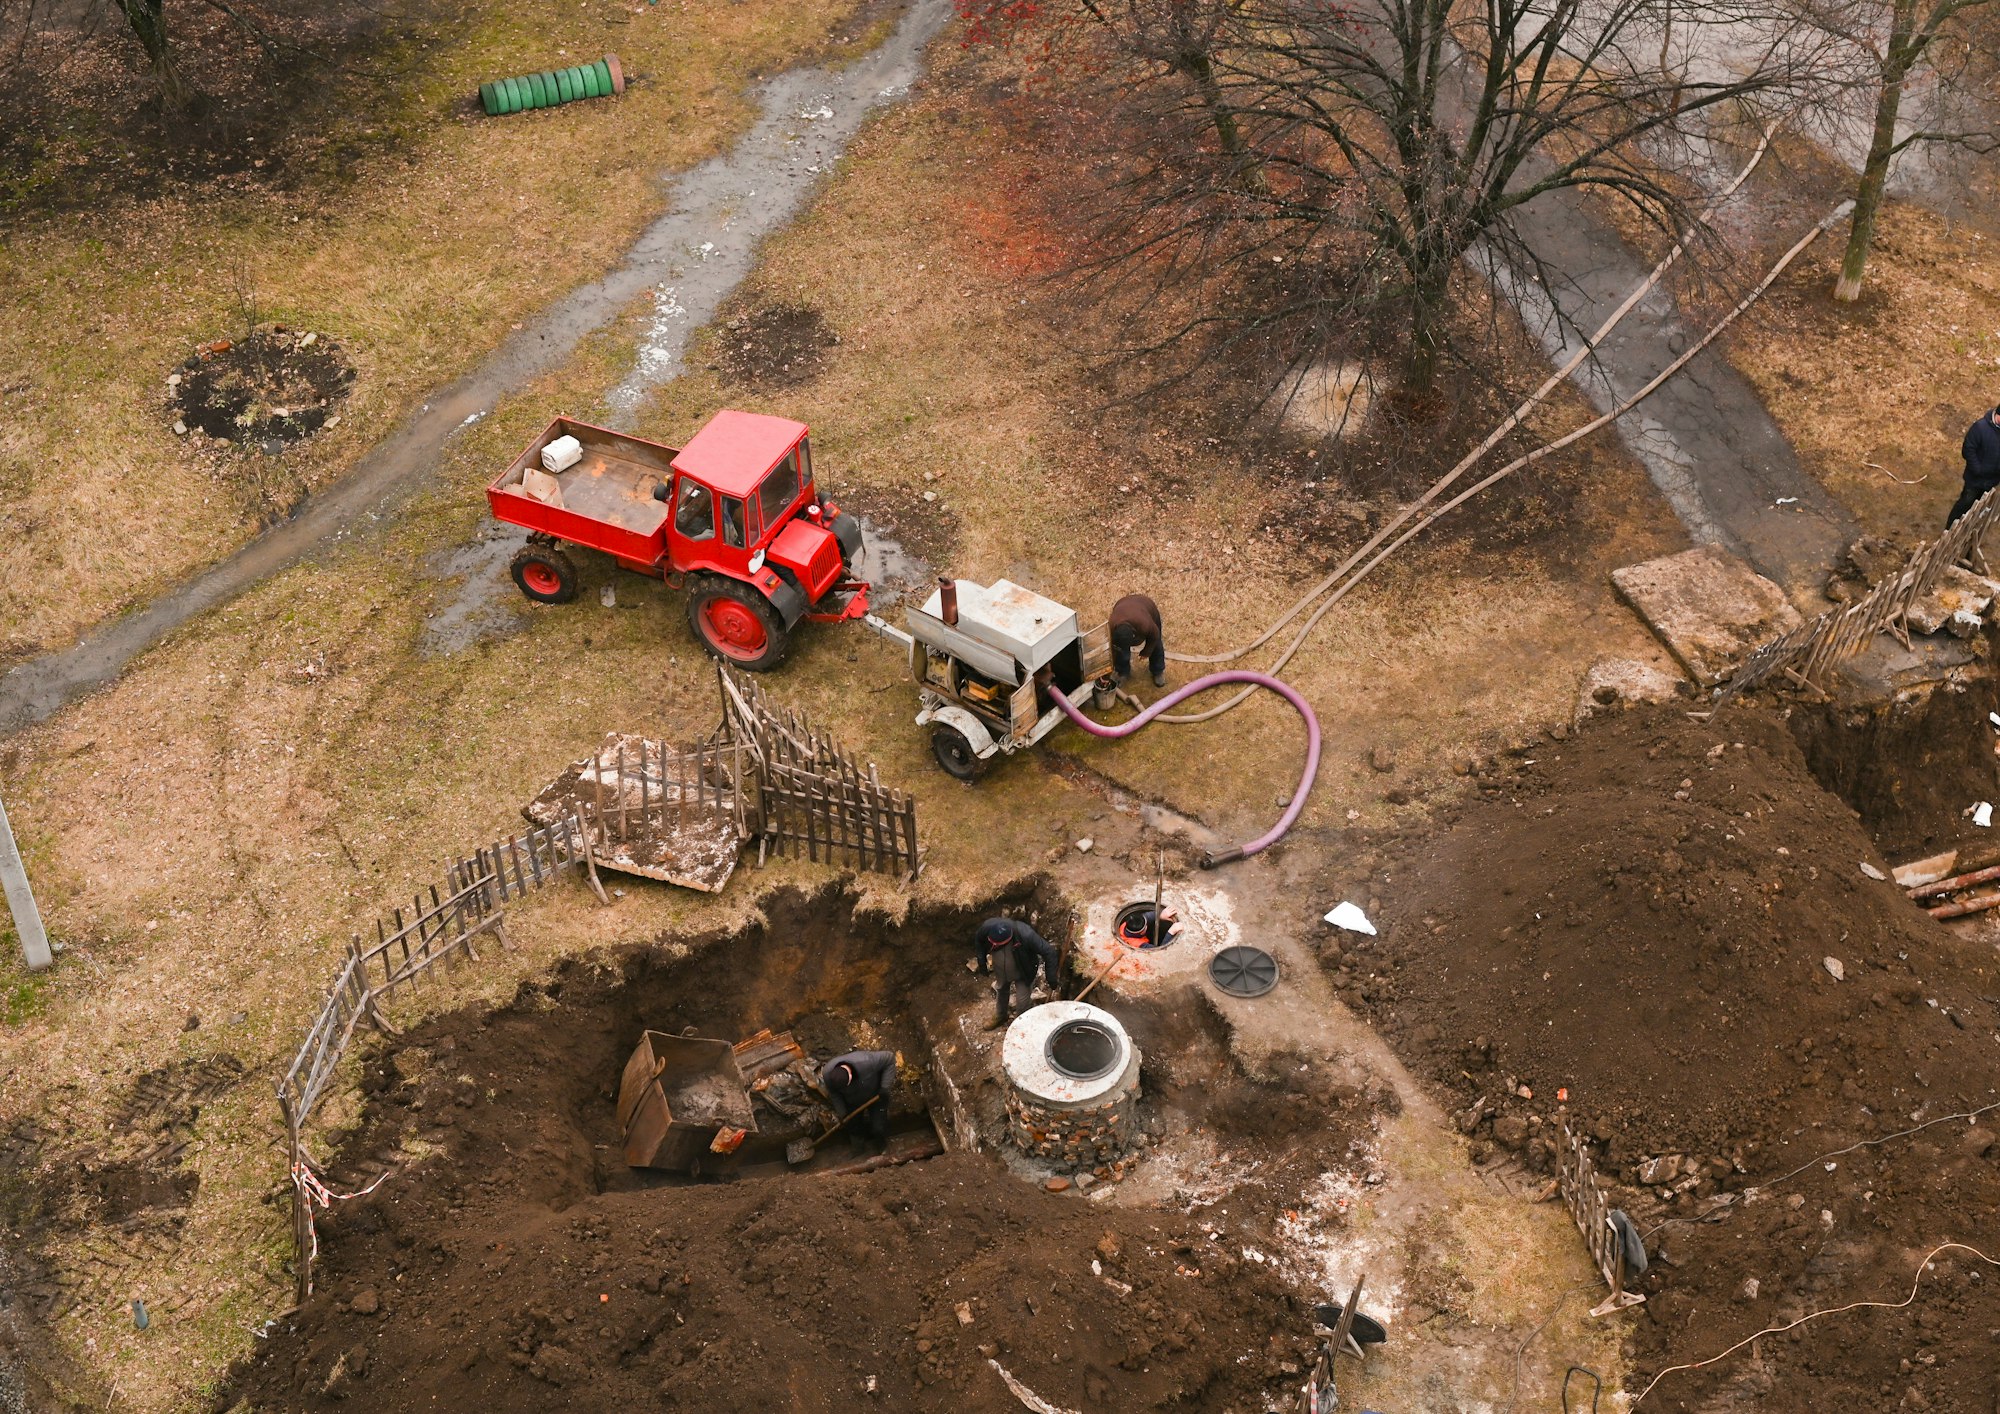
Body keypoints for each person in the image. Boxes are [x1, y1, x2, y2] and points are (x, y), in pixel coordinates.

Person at [974, 917, 1060, 1026]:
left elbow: (1049, 952)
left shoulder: (1026, 934)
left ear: (1008, 939)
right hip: (1001, 969)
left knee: (1022, 1001)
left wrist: (1051, 976)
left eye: (998, 945)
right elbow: (979, 941)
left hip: (1024, 971)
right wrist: (981, 962)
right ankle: (1001, 1016)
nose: (994, 946)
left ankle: (1020, 1024)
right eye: (993, 944)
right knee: (1001, 989)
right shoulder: (986, 927)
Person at [820, 1050, 895, 1148]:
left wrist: (885, 1087)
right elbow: (834, 1094)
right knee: (852, 1127)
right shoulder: (827, 1073)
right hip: (852, 1101)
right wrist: (843, 1113)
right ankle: (859, 1148)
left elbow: (890, 1058)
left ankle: (881, 1145)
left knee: (878, 1128)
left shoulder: (867, 1062)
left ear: (850, 1076)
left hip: (876, 1095)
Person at [1950, 403, 2000, 526]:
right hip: (1975, 479)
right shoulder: (1980, 427)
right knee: (1965, 503)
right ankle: (1950, 528)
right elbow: (1968, 449)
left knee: (1979, 506)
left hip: (1992, 480)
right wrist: (1977, 469)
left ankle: (1969, 527)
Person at [1109, 593, 1167, 688]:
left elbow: (1154, 636)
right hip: (1124, 604)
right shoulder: (1112, 624)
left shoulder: (1145, 625)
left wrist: (1146, 651)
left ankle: (1158, 670)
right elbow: (1114, 647)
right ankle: (1122, 672)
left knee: (1156, 645)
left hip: (1147, 606)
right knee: (1120, 650)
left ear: (1134, 635)